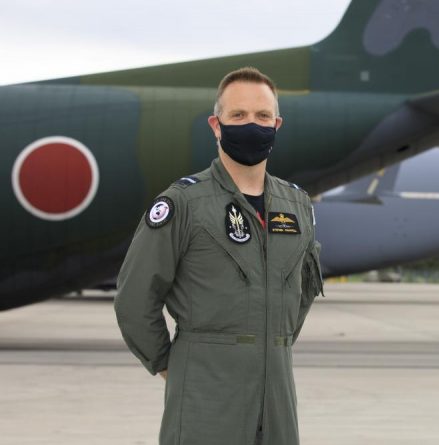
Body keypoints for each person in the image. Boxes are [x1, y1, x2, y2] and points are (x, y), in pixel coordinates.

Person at [114, 67, 323, 445]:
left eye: (262, 117)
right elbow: (134, 299)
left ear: (277, 124)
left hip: (277, 401)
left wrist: (270, 344)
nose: (251, 125)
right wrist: (170, 366)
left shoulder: (297, 205)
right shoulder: (184, 203)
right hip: (204, 400)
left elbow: (303, 294)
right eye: (238, 116)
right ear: (216, 124)